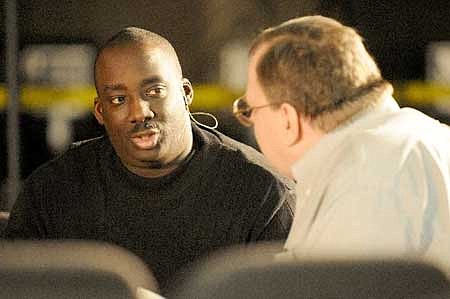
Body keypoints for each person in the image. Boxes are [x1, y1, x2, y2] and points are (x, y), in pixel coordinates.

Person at [5, 27, 294, 293]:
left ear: (186, 93)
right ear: (100, 111)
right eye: (118, 99)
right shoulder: (52, 192)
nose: (139, 112)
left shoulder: (262, 192)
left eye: (154, 92)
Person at [233, 15, 450, 268]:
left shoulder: (366, 180)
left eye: (250, 109)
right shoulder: (412, 139)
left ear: (287, 119)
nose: (251, 122)